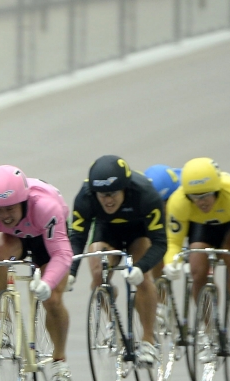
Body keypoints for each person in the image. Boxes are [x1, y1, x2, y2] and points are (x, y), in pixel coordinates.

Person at [0, 165, 74, 381]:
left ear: (23, 200)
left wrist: (47, 282)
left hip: (46, 240)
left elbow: (63, 254)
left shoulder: (45, 207)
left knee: (52, 300)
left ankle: (59, 362)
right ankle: (4, 319)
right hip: (16, 238)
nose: (4, 216)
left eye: (10, 209)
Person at [67, 156, 168, 365]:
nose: (108, 200)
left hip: (138, 233)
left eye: (112, 194)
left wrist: (141, 268)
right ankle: (113, 322)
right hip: (107, 233)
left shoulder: (145, 194)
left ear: (125, 188)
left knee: (142, 279)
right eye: (102, 195)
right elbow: (77, 238)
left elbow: (160, 243)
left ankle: (148, 340)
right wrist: (70, 272)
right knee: (97, 275)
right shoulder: (85, 197)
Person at [162, 158, 230, 347]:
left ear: (217, 189)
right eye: (195, 197)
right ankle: (207, 329)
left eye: (206, 195)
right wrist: (171, 262)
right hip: (203, 228)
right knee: (197, 269)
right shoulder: (179, 202)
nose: (201, 202)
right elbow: (173, 242)